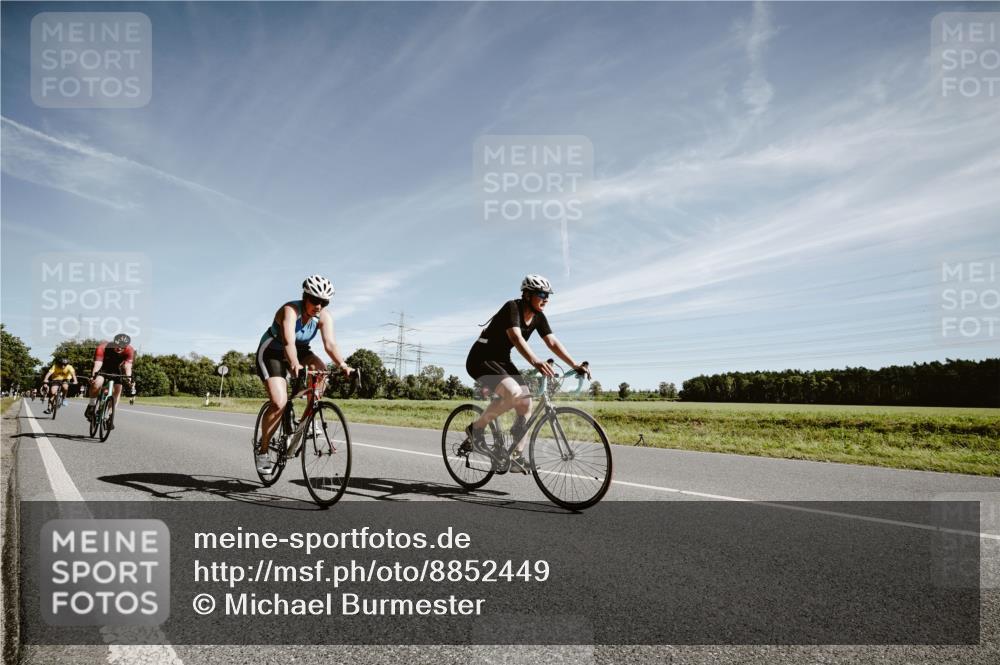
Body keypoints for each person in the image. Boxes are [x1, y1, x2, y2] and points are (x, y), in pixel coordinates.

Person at [464, 274, 590, 473]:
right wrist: (535, 361)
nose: (546, 298)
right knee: (513, 393)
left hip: (502, 360)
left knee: (525, 402)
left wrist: (574, 365)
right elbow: (515, 337)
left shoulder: (539, 317)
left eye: (548, 295)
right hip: (480, 359)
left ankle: (516, 456)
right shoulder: (512, 307)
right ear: (527, 294)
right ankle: (476, 429)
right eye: (541, 294)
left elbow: (552, 342)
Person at [254, 275, 353, 473]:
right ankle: (263, 450)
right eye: (315, 300)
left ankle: (308, 419)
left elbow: (330, 344)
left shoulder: (323, 316)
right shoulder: (290, 310)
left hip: (301, 351)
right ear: (305, 297)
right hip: (273, 351)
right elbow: (289, 343)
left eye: (324, 302)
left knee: (320, 369)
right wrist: (295, 364)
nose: (319, 306)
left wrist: (343, 365)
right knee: (279, 402)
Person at [85, 334, 135, 426]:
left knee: (118, 389)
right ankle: (91, 406)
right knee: (97, 383)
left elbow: (128, 366)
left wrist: (129, 379)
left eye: (122, 347)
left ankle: (110, 415)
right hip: (103, 368)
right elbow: (98, 364)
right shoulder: (103, 347)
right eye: (117, 346)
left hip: (116, 370)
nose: (120, 348)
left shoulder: (130, 350)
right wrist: (94, 377)